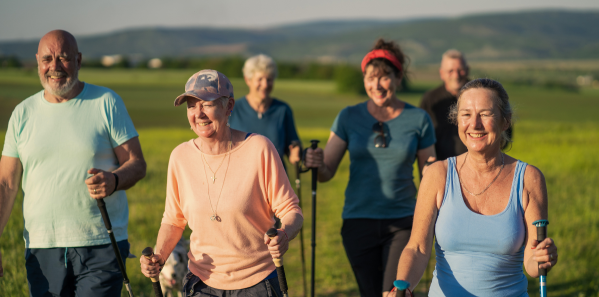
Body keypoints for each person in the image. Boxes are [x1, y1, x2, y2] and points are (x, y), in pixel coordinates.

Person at [0, 30, 146, 296]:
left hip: (101, 243)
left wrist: (113, 181)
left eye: (64, 58)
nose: (54, 67)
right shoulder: (22, 113)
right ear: (37, 62)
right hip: (42, 246)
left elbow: (137, 164)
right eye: (47, 59)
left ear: (78, 60)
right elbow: (6, 183)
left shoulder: (106, 102)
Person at [140, 69, 304, 296]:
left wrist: (284, 234)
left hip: (256, 282)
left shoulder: (259, 149)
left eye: (207, 103)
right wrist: (159, 257)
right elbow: (173, 221)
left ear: (229, 107)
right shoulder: (180, 157)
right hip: (202, 284)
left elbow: (291, 210)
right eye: (191, 105)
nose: (199, 113)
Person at [393, 78, 558, 296]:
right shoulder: (437, 174)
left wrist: (540, 259)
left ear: (505, 121)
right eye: (466, 114)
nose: (475, 124)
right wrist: (401, 287)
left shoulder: (529, 178)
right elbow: (417, 248)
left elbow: (531, 262)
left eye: (485, 114)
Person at [305, 39, 437, 297]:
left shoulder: (418, 119)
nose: (376, 85)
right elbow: (326, 172)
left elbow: (429, 176)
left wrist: (436, 175)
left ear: (398, 79)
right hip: (358, 221)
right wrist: (317, 163)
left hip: (403, 221)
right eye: (369, 78)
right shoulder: (348, 116)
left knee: (394, 293)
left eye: (384, 77)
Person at [229, 54, 301, 168]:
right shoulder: (232, 109)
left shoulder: (282, 110)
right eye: (260, 79)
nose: (265, 85)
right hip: (240, 181)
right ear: (247, 80)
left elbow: (293, 147)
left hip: (276, 181)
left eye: (269, 79)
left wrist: (297, 153)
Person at [419, 49, 470, 160]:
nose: (456, 75)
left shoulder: (481, 95)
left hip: (477, 168)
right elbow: (421, 137)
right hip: (442, 168)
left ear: (467, 70)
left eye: (460, 70)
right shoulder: (430, 100)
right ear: (442, 73)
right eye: (450, 71)